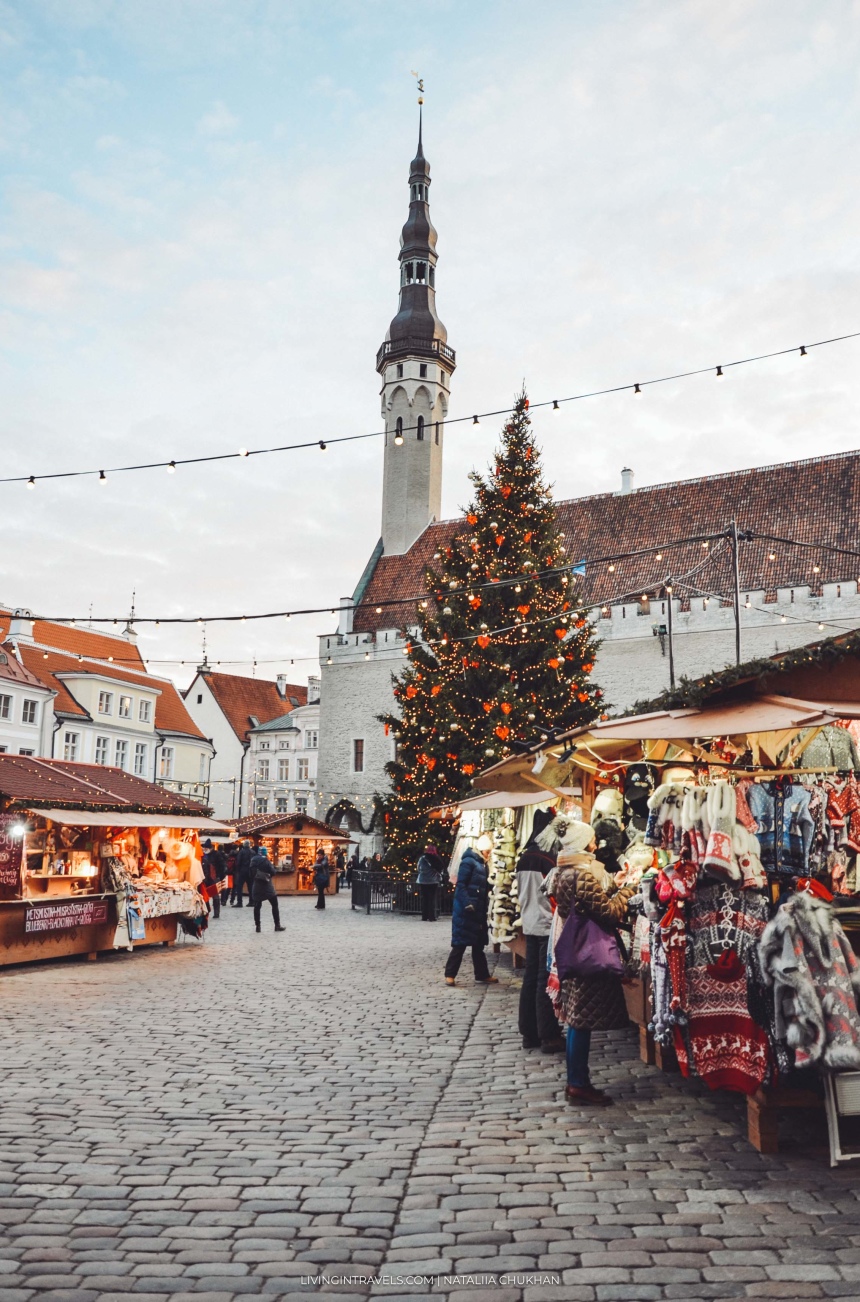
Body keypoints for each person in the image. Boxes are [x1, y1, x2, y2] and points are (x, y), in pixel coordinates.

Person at [552, 823, 635, 1106]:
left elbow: (590, 901)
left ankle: (577, 1081)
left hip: (576, 949)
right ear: (582, 843)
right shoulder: (581, 874)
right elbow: (609, 912)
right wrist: (629, 890)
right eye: (591, 840)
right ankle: (578, 1083)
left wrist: (614, 885)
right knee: (580, 1021)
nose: (596, 844)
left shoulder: (564, 871)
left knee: (577, 1019)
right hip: (588, 952)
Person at [515, 810, 565, 1053]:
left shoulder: (524, 857)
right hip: (546, 925)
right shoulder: (548, 859)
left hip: (530, 923)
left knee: (530, 978)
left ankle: (529, 1032)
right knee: (545, 981)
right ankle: (548, 1035)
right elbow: (554, 895)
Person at [444, 834, 498, 985]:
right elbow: (461, 885)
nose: (489, 854)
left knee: (478, 945)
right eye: (487, 851)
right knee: (460, 944)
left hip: (478, 910)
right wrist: (468, 903)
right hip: (466, 910)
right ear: (482, 850)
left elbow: (483, 885)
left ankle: (482, 974)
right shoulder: (468, 862)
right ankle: (450, 974)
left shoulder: (483, 864)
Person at [249, 845, 285, 933]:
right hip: (267, 886)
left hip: (257, 886)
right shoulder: (266, 861)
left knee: (257, 906)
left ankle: (258, 926)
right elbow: (273, 872)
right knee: (274, 904)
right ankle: (277, 925)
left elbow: (250, 873)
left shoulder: (253, 860)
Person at [416, 842, 444, 922]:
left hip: (423, 880)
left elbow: (418, 867)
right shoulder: (436, 858)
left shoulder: (422, 858)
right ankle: (432, 917)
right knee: (431, 899)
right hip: (433, 880)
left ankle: (424, 916)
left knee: (425, 898)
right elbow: (441, 868)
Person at [201, 839, 226, 919]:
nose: (205, 849)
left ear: (210, 848)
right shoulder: (203, 855)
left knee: (215, 896)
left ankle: (216, 913)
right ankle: (206, 911)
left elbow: (222, 866)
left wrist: (219, 876)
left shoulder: (216, 854)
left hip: (214, 877)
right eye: (204, 848)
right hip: (205, 878)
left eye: (206, 848)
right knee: (204, 896)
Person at [232, 839, 253, 907]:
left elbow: (238, 862)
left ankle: (239, 902)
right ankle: (251, 901)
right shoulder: (252, 852)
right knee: (250, 887)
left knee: (239, 886)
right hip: (250, 871)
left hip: (242, 871)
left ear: (244, 845)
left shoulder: (241, 852)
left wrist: (238, 870)